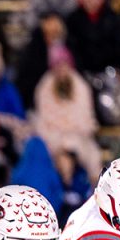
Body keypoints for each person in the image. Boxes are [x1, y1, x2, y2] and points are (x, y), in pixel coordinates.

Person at [33, 43, 100, 178]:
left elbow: (85, 118)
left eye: (64, 64)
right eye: (58, 65)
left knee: (88, 157)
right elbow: (44, 119)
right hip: (52, 137)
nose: (61, 69)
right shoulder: (45, 87)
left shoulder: (80, 87)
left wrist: (70, 133)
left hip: (78, 136)